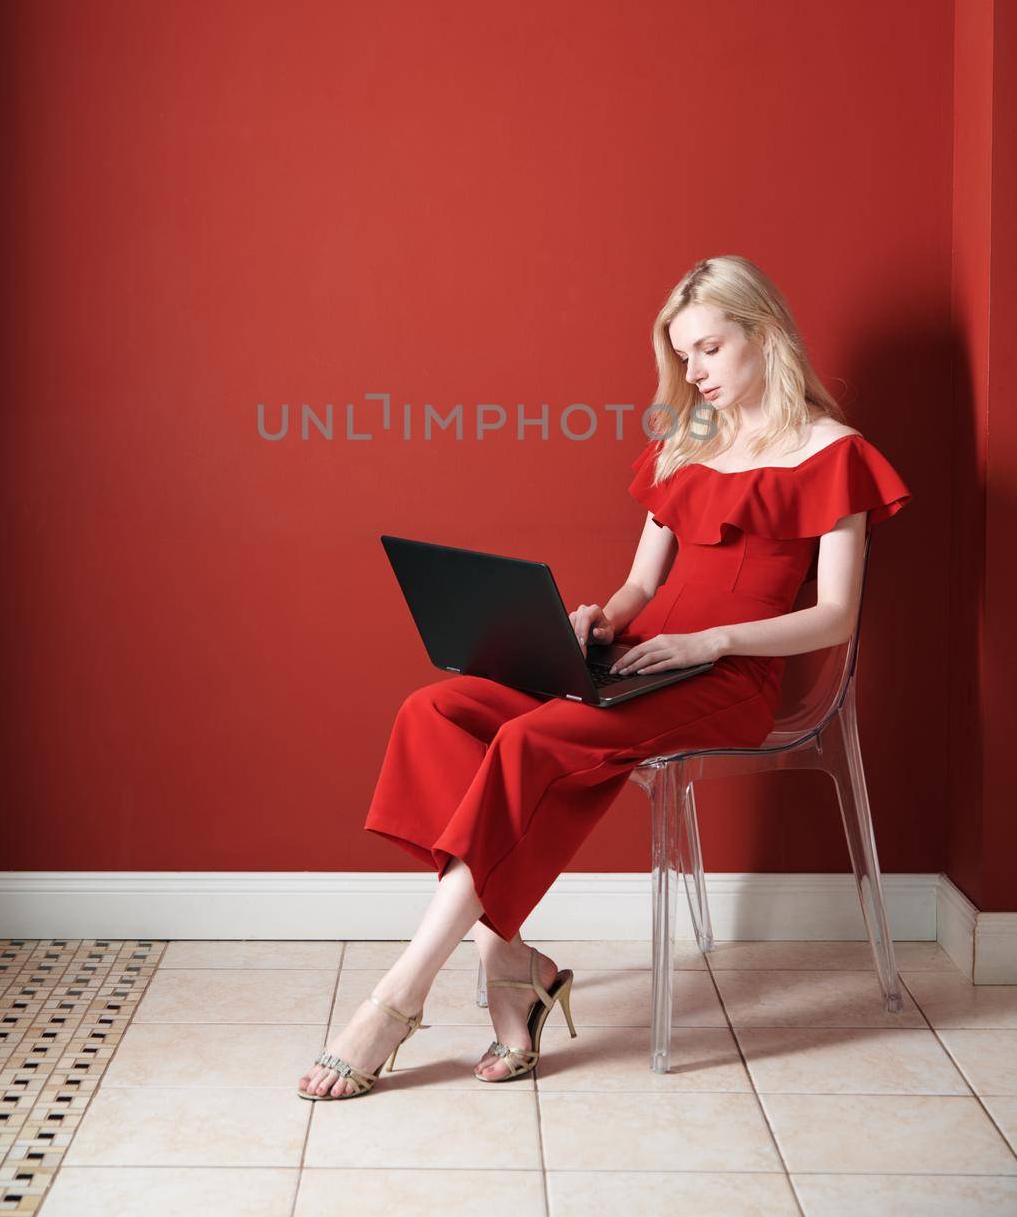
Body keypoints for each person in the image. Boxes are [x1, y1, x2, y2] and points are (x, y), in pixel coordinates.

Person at [298, 254, 912, 1099]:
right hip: (634, 660)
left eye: (708, 350)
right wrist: (599, 620)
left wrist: (712, 644)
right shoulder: (688, 437)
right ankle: (513, 962)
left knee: (531, 738)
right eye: (682, 355)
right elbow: (641, 586)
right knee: (436, 709)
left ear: (763, 336)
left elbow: (836, 616)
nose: (693, 374)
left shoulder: (833, 451)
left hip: (727, 680)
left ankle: (398, 998)